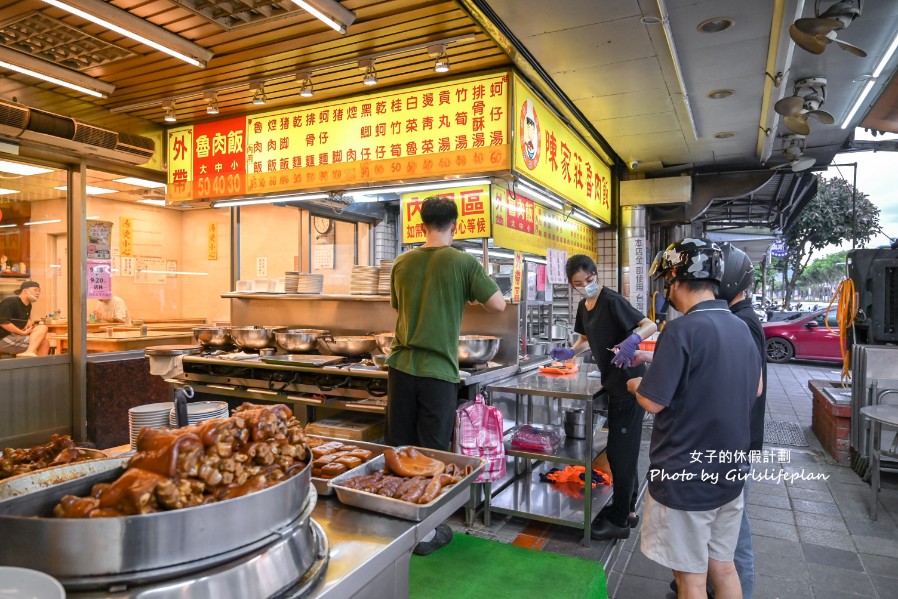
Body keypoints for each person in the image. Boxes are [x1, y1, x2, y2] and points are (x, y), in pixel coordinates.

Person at [627, 238, 762, 599]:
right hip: (729, 469)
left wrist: (635, 384)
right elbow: (756, 388)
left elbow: (653, 403)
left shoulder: (681, 330)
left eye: (667, 283)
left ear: (678, 282)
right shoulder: (741, 328)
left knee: (691, 580)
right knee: (724, 567)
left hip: (686, 477)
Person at [387, 195, 506, 555]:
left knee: (400, 446)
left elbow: (399, 305)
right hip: (438, 371)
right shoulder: (462, 262)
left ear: (420, 225)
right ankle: (424, 535)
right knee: (431, 450)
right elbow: (498, 305)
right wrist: (466, 294)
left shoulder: (402, 262)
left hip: (400, 367)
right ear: (454, 225)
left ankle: (396, 524)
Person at [553, 254, 656, 540]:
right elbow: (585, 338)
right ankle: (630, 510)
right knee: (625, 449)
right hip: (615, 384)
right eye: (578, 283)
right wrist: (571, 352)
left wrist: (633, 339)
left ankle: (619, 520)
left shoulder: (611, 300)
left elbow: (648, 324)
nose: (585, 286)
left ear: (596, 275)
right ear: (571, 284)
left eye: (589, 280)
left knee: (620, 453)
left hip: (629, 384)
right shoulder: (584, 306)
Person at [717, 243, 766, 599]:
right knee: (725, 527)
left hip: (735, 444)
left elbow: (752, 386)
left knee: (736, 534)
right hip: (735, 441)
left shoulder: (742, 323)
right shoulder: (741, 319)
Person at [0, 281, 50, 357]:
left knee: (44, 338)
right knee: (40, 343)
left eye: (39, 291)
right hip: (3, 338)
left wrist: (28, 324)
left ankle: (38, 367)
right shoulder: (11, 301)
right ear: (25, 291)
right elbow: (3, 322)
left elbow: (22, 321)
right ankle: (29, 352)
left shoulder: (28, 305)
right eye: (35, 290)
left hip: (15, 336)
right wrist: (22, 333)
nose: (38, 293)